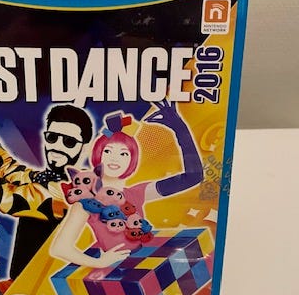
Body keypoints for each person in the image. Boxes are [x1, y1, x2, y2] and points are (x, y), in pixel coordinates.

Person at [51, 100, 203, 268]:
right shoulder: (86, 203)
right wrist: (99, 263)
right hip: (118, 270)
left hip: (147, 262)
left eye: (124, 153)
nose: (115, 158)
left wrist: (180, 129)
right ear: (98, 155)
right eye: (108, 151)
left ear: (132, 160)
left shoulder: (136, 193)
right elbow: (59, 248)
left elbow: (193, 176)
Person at [0, 101, 93, 279]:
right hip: (19, 281)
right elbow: (7, 167)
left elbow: (7, 198)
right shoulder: (41, 178)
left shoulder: (73, 192)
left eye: (69, 142)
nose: (57, 146)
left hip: (45, 286)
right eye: (52, 137)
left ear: (85, 149)